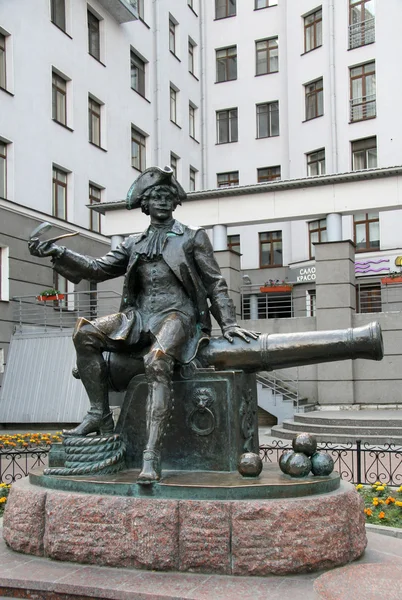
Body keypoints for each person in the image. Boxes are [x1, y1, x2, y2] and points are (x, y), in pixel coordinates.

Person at [28, 166, 258, 484]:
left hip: (177, 316)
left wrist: (228, 324)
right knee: (85, 334)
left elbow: (215, 283)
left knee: (157, 360)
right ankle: (99, 412)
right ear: (145, 204)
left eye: (167, 196)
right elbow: (96, 269)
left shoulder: (192, 237)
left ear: (175, 202)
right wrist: (58, 252)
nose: (162, 201)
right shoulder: (134, 243)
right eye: (155, 196)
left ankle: (151, 455)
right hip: (138, 317)